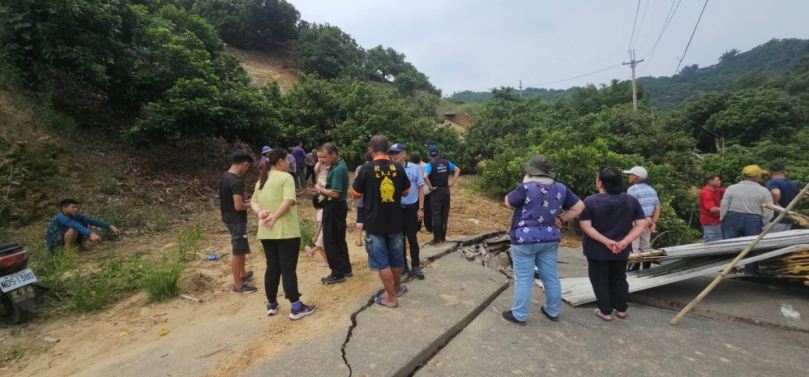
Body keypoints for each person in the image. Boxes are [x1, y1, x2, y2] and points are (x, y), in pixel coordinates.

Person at [501, 155, 584, 326]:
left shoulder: (525, 188)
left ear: (530, 171)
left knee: (524, 278)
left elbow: (508, 202)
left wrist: (524, 182)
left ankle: (519, 314)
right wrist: (561, 218)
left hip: (524, 240)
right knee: (551, 276)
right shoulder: (561, 188)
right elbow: (579, 207)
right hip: (549, 238)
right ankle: (552, 311)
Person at [250, 148, 315, 320]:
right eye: (287, 160)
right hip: (285, 231)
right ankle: (296, 307)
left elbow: (253, 202)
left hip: (266, 231)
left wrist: (260, 213)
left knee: (272, 267)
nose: (289, 163)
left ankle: (271, 304)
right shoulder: (286, 178)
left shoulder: (261, 180)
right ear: (280, 162)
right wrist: (274, 217)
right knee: (288, 269)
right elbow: (289, 200)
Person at [579, 167, 647, 322]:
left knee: (599, 279)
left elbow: (586, 226)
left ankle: (605, 311)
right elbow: (640, 224)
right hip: (621, 249)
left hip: (597, 249)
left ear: (600, 183)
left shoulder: (590, 201)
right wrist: (625, 241)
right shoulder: (630, 200)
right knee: (619, 277)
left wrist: (606, 241)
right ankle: (621, 308)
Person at [353, 135, 412, 308]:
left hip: (375, 222)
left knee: (382, 262)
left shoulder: (365, 169)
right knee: (396, 258)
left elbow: (356, 194)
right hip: (395, 220)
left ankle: (392, 298)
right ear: (387, 150)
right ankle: (398, 287)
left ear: (371, 150)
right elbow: (406, 192)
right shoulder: (398, 168)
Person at [721, 165, 774, 275]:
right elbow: (768, 209)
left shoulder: (732, 188)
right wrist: (764, 222)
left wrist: (722, 217)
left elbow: (724, 204)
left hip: (732, 216)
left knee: (730, 244)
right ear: (756, 176)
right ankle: (750, 271)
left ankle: (730, 269)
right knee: (752, 246)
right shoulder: (763, 191)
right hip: (753, 218)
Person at [219, 151, 257, 294]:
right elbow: (239, 206)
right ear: (244, 164)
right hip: (236, 220)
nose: (246, 170)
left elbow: (234, 201)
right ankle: (238, 285)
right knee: (238, 251)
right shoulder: (236, 181)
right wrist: (252, 205)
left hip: (228, 217)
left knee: (241, 248)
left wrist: (249, 202)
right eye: (247, 167)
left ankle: (243, 275)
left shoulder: (225, 177)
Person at [316, 143, 353, 284]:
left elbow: (335, 193)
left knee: (330, 240)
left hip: (334, 205)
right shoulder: (339, 166)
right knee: (339, 239)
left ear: (333, 154)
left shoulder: (337, 170)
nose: (322, 160)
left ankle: (337, 273)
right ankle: (346, 268)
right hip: (338, 207)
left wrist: (320, 189)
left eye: (324, 157)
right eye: (320, 157)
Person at [390, 143, 426, 280]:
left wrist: (420, 209)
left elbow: (420, 189)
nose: (395, 155)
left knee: (412, 238)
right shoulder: (389, 168)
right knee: (399, 239)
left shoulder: (414, 169)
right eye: (392, 153)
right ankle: (403, 264)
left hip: (411, 208)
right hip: (395, 209)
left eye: (397, 152)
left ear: (404, 153)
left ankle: (416, 265)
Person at [46, 199, 122, 252]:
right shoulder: (61, 217)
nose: (76, 209)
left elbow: (91, 220)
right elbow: (74, 225)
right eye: (73, 207)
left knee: (86, 223)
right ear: (64, 208)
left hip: (65, 237)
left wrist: (110, 226)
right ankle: (68, 251)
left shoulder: (76, 215)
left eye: (76, 207)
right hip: (55, 243)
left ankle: (82, 246)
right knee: (73, 228)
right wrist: (91, 234)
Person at [623, 166, 660, 271]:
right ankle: (646, 268)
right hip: (648, 220)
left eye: (630, 175)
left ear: (635, 177)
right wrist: (653, 221)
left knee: (634, 246)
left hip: (636, 221)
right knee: (645, 245)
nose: (629, 177)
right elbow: (657, 207)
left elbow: (629, 207)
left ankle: (634, 268)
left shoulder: (632, 190)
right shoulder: (651, 190)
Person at [423, 145, 461, 243]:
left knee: (436, 215)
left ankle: (437, 239)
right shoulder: (446, 162)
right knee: (444, 214)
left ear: (429, 154)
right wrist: (452, 183)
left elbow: (425, 176)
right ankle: (443, 238)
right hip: (445, 190)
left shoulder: (430, 164)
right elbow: (457, 170)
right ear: (438, 152)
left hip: (436, 191)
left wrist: (430, 187)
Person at [767, 163, 800, 233]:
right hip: (788, 219)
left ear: (770, 172)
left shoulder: (773, 182)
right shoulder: (793, 184)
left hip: (776, 218)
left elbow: (776, 192)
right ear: (784, 171)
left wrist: (775, 203)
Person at [353, 153, 373, 247]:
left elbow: (355, 182)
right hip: (371, 200)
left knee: (360, 219)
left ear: (365, 158)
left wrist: (354, 194)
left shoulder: (359, 168)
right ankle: (369, 238)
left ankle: (359, 240)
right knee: (370, 218)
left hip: (360, 198)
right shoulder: (375, 167)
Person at [699, 175, 726, 242]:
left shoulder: (716, 190)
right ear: (710, 182)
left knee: (707, 241)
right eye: (717, 180)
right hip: (711, 221)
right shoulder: (706, 193)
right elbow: (712, 209)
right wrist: (726, 209)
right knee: (716, 242)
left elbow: (728, 191)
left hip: (714, 220)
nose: (720, 181)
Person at [305, 195, 329, 268]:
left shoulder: (320, 213)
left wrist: (316, 236)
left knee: (319, 246)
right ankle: (311, 251)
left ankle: (326, 261)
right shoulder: (327, 209)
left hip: (322, 232)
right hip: (328, 230)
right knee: (320, 244)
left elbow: (320, 225)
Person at [412, 154, 433, 234]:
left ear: (412, 161)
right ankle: (429, 229)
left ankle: (417, 229)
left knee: (418, 210)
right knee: (427, 210)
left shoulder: (413, 167)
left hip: (417, 192)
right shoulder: (427, 165)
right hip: (427, 191)